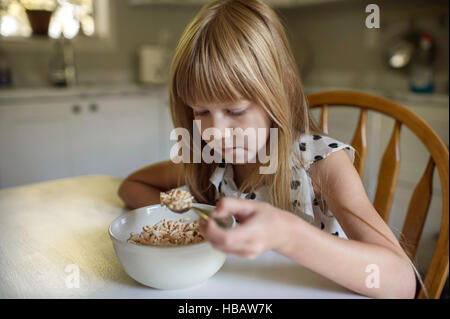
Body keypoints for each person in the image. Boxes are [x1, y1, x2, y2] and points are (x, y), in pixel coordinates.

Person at [118, 0, 418, 298]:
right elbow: (131, 187)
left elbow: (402, 282)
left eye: (235, 111)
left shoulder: (321, 165)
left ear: (281, 92)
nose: (216, 133)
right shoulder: (210, 160)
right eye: (201, 112)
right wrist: (194, 220)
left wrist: (288, 235)